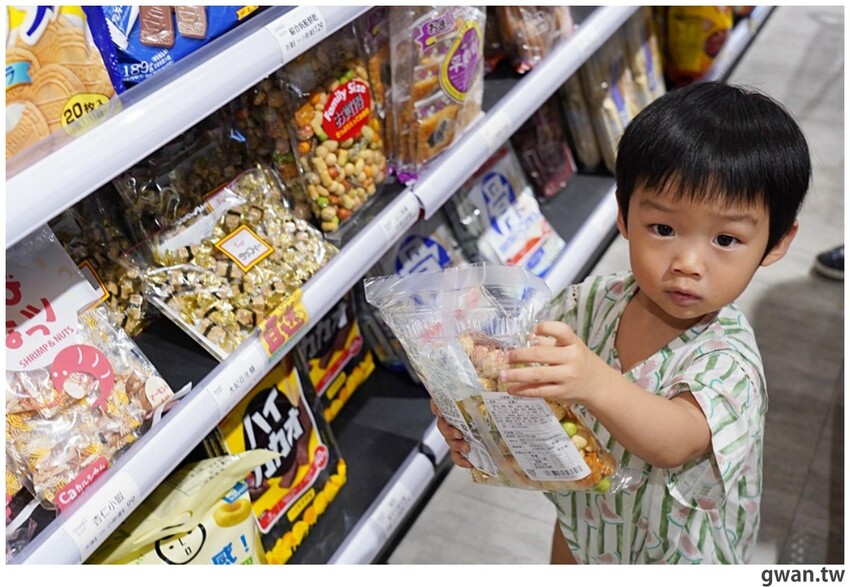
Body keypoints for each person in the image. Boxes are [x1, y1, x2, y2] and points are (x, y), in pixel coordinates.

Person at [432, 80, 811, 564]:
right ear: (625, 216)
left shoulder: (729, 359)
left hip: (679, 556)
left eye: (725, 240)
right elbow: (524, 376)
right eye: (664, 229)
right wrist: (476, 418)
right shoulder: (591, 302)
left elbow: (677, 440)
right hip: (586, 524)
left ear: (776, 243)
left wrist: (595, 382)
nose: (688, 263)